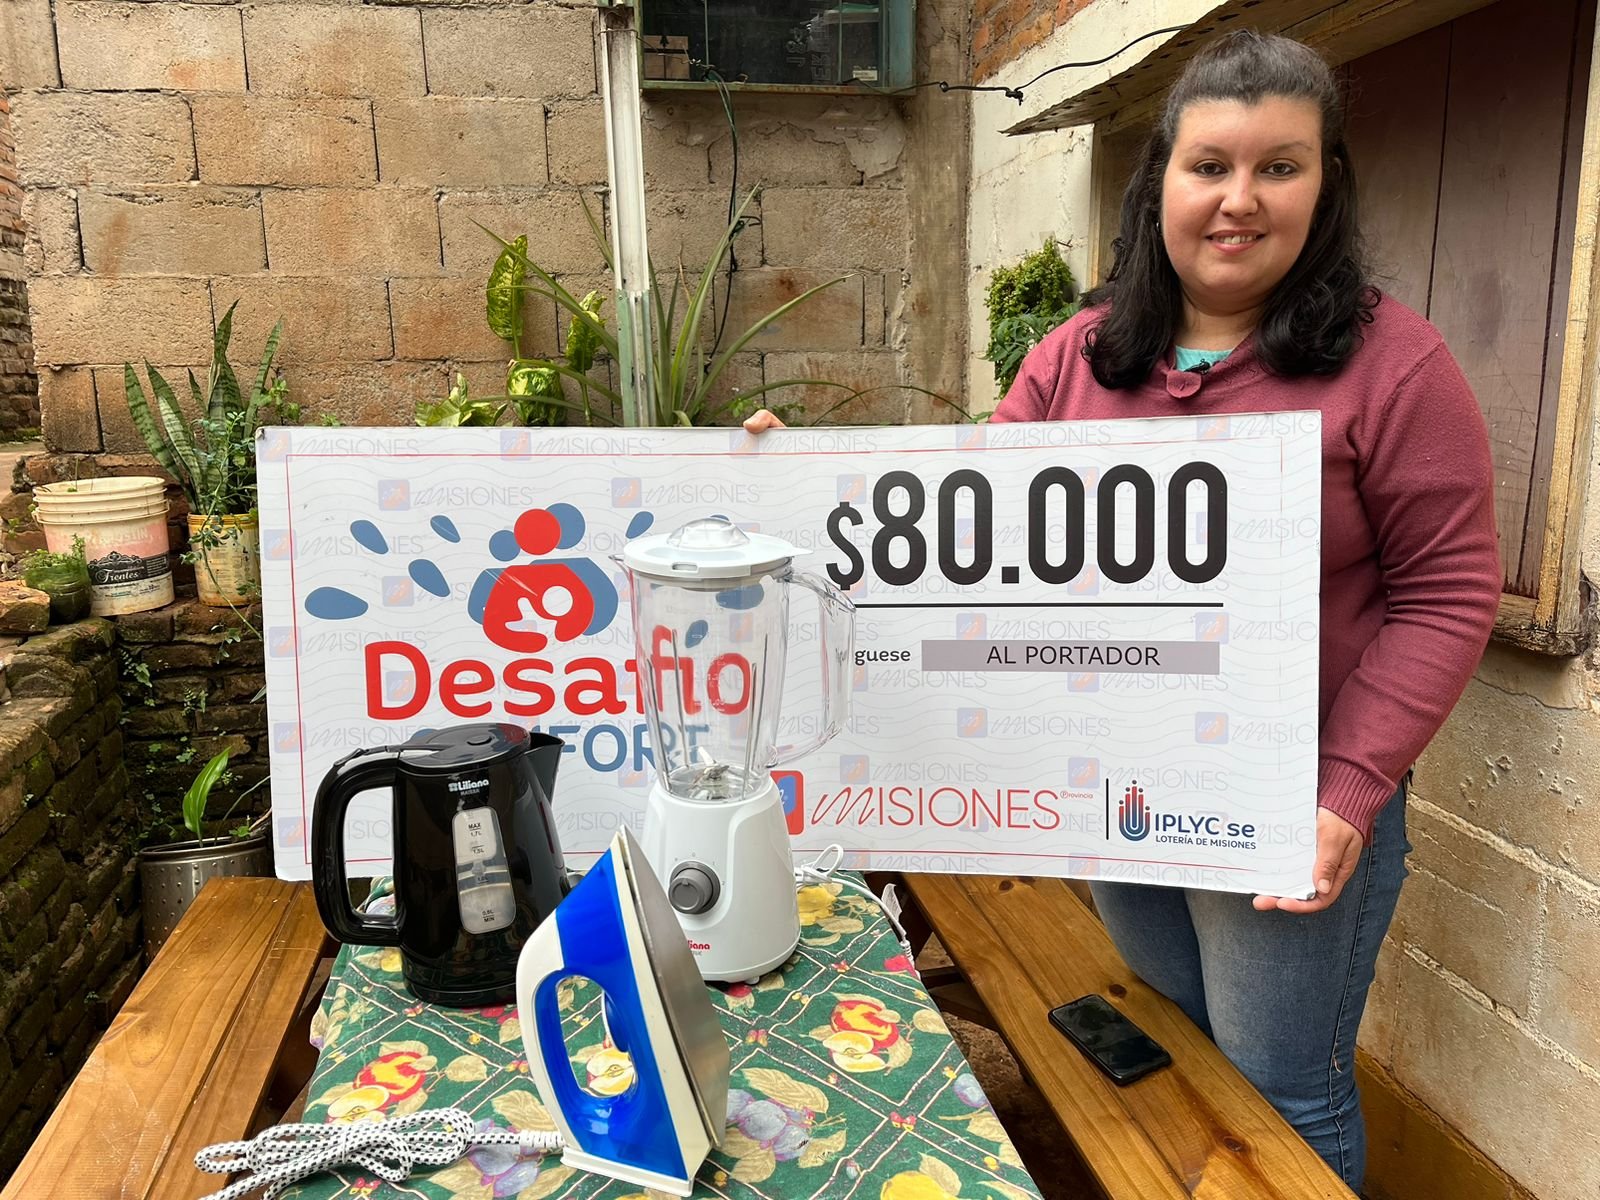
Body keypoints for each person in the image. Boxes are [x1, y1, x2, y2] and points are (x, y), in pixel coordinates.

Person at [742, 30, 1502, 1190]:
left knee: (1279, 1086)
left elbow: (1446, 593)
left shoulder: (1394, 368)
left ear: (1326, 184)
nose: (1239, 199)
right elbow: (969, 531)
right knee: (1174, 1049)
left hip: (1286, 799)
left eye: (1279, 166)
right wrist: (812, 488)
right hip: (1116, 784)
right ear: (1160, 183)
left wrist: (1348, 790)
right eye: (1210, 165)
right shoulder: (1078, 359)